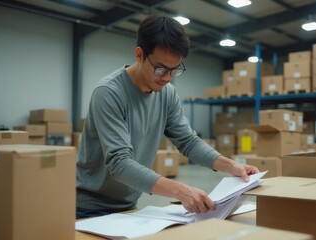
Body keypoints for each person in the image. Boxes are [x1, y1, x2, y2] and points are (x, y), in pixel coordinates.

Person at [76, 14, 259, 219]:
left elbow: (188, 141)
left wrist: (231, 165)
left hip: (128, 206)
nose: (167, 77)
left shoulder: (167, 93)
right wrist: (180, 191)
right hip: (89, 209)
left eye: (175, 69)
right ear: (139, 54)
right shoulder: (109, 93)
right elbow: (119, 163)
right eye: (160, 68)